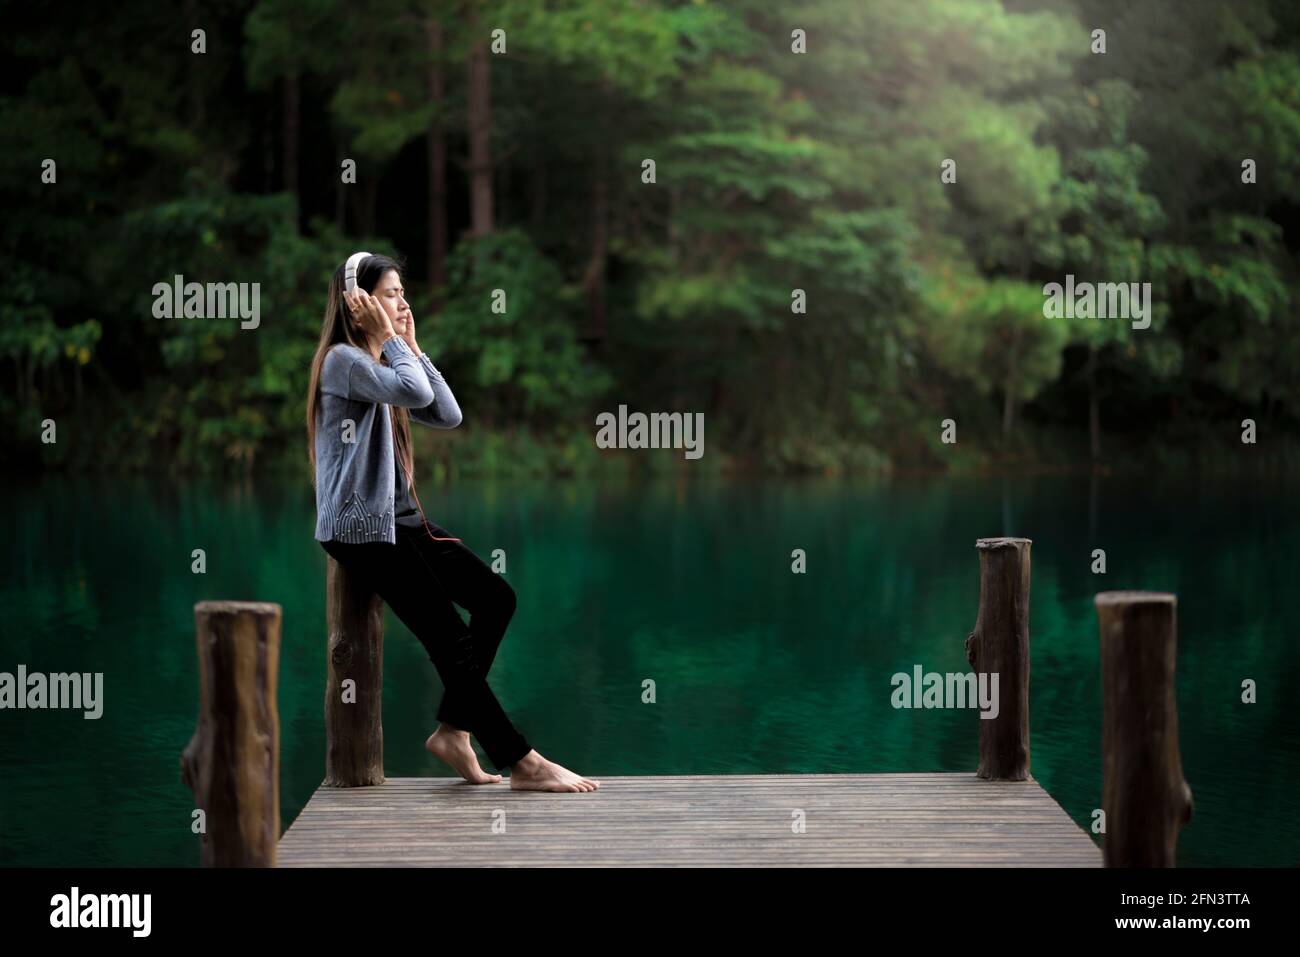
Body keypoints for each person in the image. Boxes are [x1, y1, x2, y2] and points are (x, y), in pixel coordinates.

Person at [305, 251, 598, 793]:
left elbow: (445, 412)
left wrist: (410, 347)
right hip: (361, 529)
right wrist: (394, 343)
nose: (402, 302)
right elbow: (413, 392)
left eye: (400, 292)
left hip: (402, 522)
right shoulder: (344, 362)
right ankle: (523, 762)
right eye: (391, 293)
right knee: (449, 638)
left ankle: (453, 730)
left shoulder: (384, 361)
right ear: (358, 301)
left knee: (495, 599)